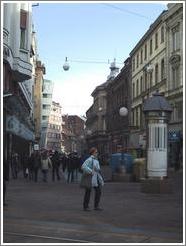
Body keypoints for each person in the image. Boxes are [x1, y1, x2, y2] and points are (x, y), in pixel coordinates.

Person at [81, 147, 104, 211]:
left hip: (95, 178)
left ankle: (96, 206)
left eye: (97, 152)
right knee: (88, 192)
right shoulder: (90, 159)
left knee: (98, 191)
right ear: (93, 153)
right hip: (90, 177)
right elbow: (83, 166)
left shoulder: (96, 159)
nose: (97, 153)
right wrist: (91, 171)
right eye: (96, 152)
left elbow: (97, 168)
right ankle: (86, 207)